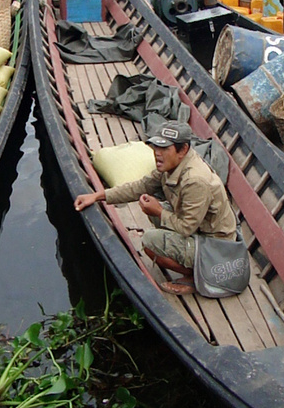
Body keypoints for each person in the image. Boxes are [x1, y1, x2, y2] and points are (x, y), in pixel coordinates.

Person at [73, 121, 238, 295]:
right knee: (156, 209)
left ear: (182, 150)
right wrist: (98, 196)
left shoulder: (195, 180)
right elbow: (140, 187)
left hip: (216, 245)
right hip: (199, 229)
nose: (157, 154)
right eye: (155, 147)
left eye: (164, 149)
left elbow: (186, 227)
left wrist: (158, 211)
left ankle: (198, 276)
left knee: (151, 242)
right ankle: (189, 262)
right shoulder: (170, 165)